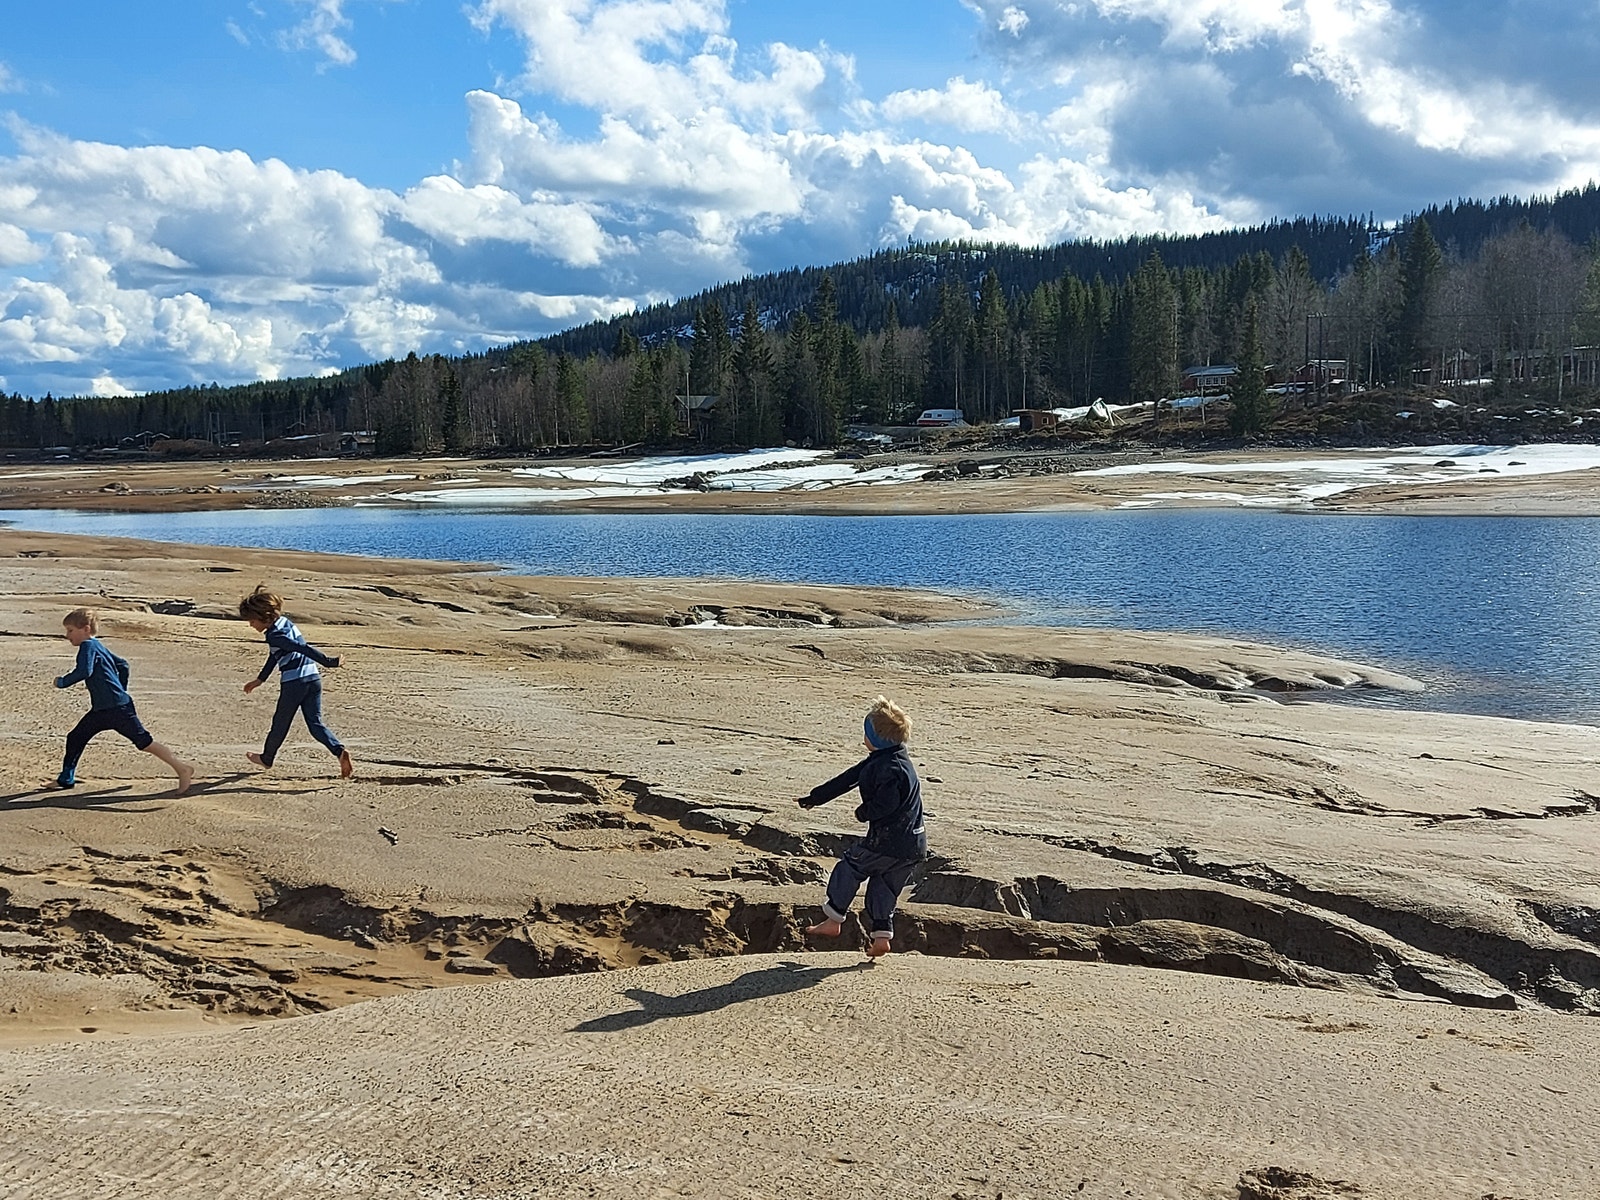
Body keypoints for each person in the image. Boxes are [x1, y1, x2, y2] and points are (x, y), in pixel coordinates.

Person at [797, 695, 927, 958]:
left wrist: (863, 812)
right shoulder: (892, 759)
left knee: (850, 867)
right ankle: (881, 937)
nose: (862, 739)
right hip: (913, 846)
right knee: (884, 886)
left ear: (876, 738)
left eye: (865, 734)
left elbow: (887, 803)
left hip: (887, 842)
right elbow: (848, 779)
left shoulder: (889, 768)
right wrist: (815, 798)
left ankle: (834, 919)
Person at [52, 608, 194, 795]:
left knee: (144, 742)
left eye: (70, 630)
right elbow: (123, 665)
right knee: (76, 737)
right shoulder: (97, 645)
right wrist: (121, 688)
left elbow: (84, 671)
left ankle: (182, 769)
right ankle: (66, 778)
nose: (67, 635)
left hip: (117, 710)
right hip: (104, 709)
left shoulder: (87, 646)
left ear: (86, 629)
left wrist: (62, 682)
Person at [238, 585, 353, 778]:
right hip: (313, 679)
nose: (251, 625)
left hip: (294, 683)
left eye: (251, 620)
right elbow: (275, 655)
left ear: (263, 617)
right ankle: (339, 751)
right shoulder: (284, 623)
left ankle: (267, 759)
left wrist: (329, 661)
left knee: (280, 723)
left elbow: (302, 648)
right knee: (315, 723)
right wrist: (260, 680)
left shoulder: (274, 635)